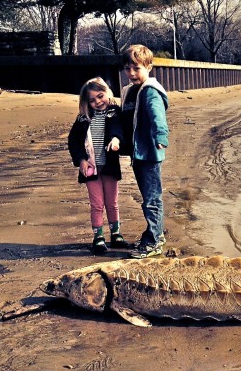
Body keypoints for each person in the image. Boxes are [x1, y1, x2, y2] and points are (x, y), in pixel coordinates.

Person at [68, 77, 127, 255]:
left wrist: (116, 139)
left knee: (112, 202)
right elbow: (73, 141)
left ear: (107, 93)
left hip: (109, 166)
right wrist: (81, 160)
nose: (97, 102)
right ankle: (98, 237)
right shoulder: (83, 118)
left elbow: (119, 129)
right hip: (91, 168)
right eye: (92, 100)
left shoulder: (114, 112)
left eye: (100, 96)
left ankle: (115, 233)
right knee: (97, 204)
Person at [120, 44, 169, 259]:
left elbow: (157, 115)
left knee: (151, 198)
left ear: (148, 67)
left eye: (136, 68)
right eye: (127, 68)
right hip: (137, 154)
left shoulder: (150, 91)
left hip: (149, 153)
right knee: (147, 196)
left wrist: (161, 137)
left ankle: (154, 240)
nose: (131, 73)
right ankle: (155, 231)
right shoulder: (131, 91)